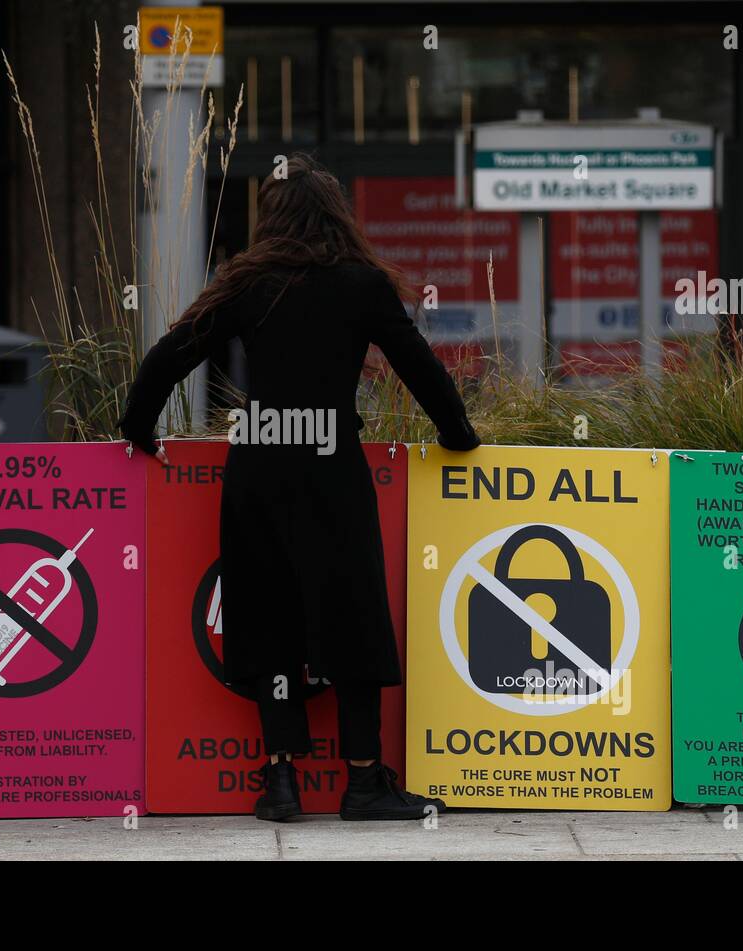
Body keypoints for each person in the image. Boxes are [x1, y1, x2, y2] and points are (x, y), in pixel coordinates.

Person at [120, 154, 480, 821]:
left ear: (272, 218)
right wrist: (458, 434)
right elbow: (420, 367)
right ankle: (365, 779)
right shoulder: (361, 284)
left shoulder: (245, 283)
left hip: (258, 468)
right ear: (337, 215)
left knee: (266, 614)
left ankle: (280, 779)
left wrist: (139, 427)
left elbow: (170, 355)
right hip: (331, 468)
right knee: (354, 616)